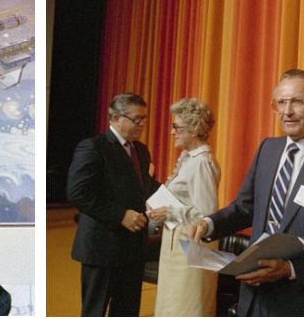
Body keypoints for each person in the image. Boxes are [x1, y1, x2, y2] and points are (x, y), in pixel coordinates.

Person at [185, 69, 304, 316]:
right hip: (254, 297)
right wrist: (207, 224)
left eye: (297, 102)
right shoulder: (268, 148)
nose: (287, 112)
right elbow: (245, 208)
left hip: (302, 301)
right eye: (281, 102)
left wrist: (289, 268)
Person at [66, 93, 159, 317]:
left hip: (133, 248)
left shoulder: (141, 150)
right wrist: (120, 215)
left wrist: (175, 195)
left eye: (144, 119)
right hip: (102, 248)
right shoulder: (93, 147)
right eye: (137, 119)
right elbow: (78, 193)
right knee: (95, 311)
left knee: (127, 311)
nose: (142, 125)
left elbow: (146, 187)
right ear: (117, 118)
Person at [145, 97, 219, 316]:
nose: (172, 132)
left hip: (190, 246)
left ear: (195, 130)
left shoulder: (202, 162)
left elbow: (206, 213)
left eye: (177, 127)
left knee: (185, 307)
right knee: (171, 305)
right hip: (175, 243)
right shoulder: (189, 159)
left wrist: (170, 211)